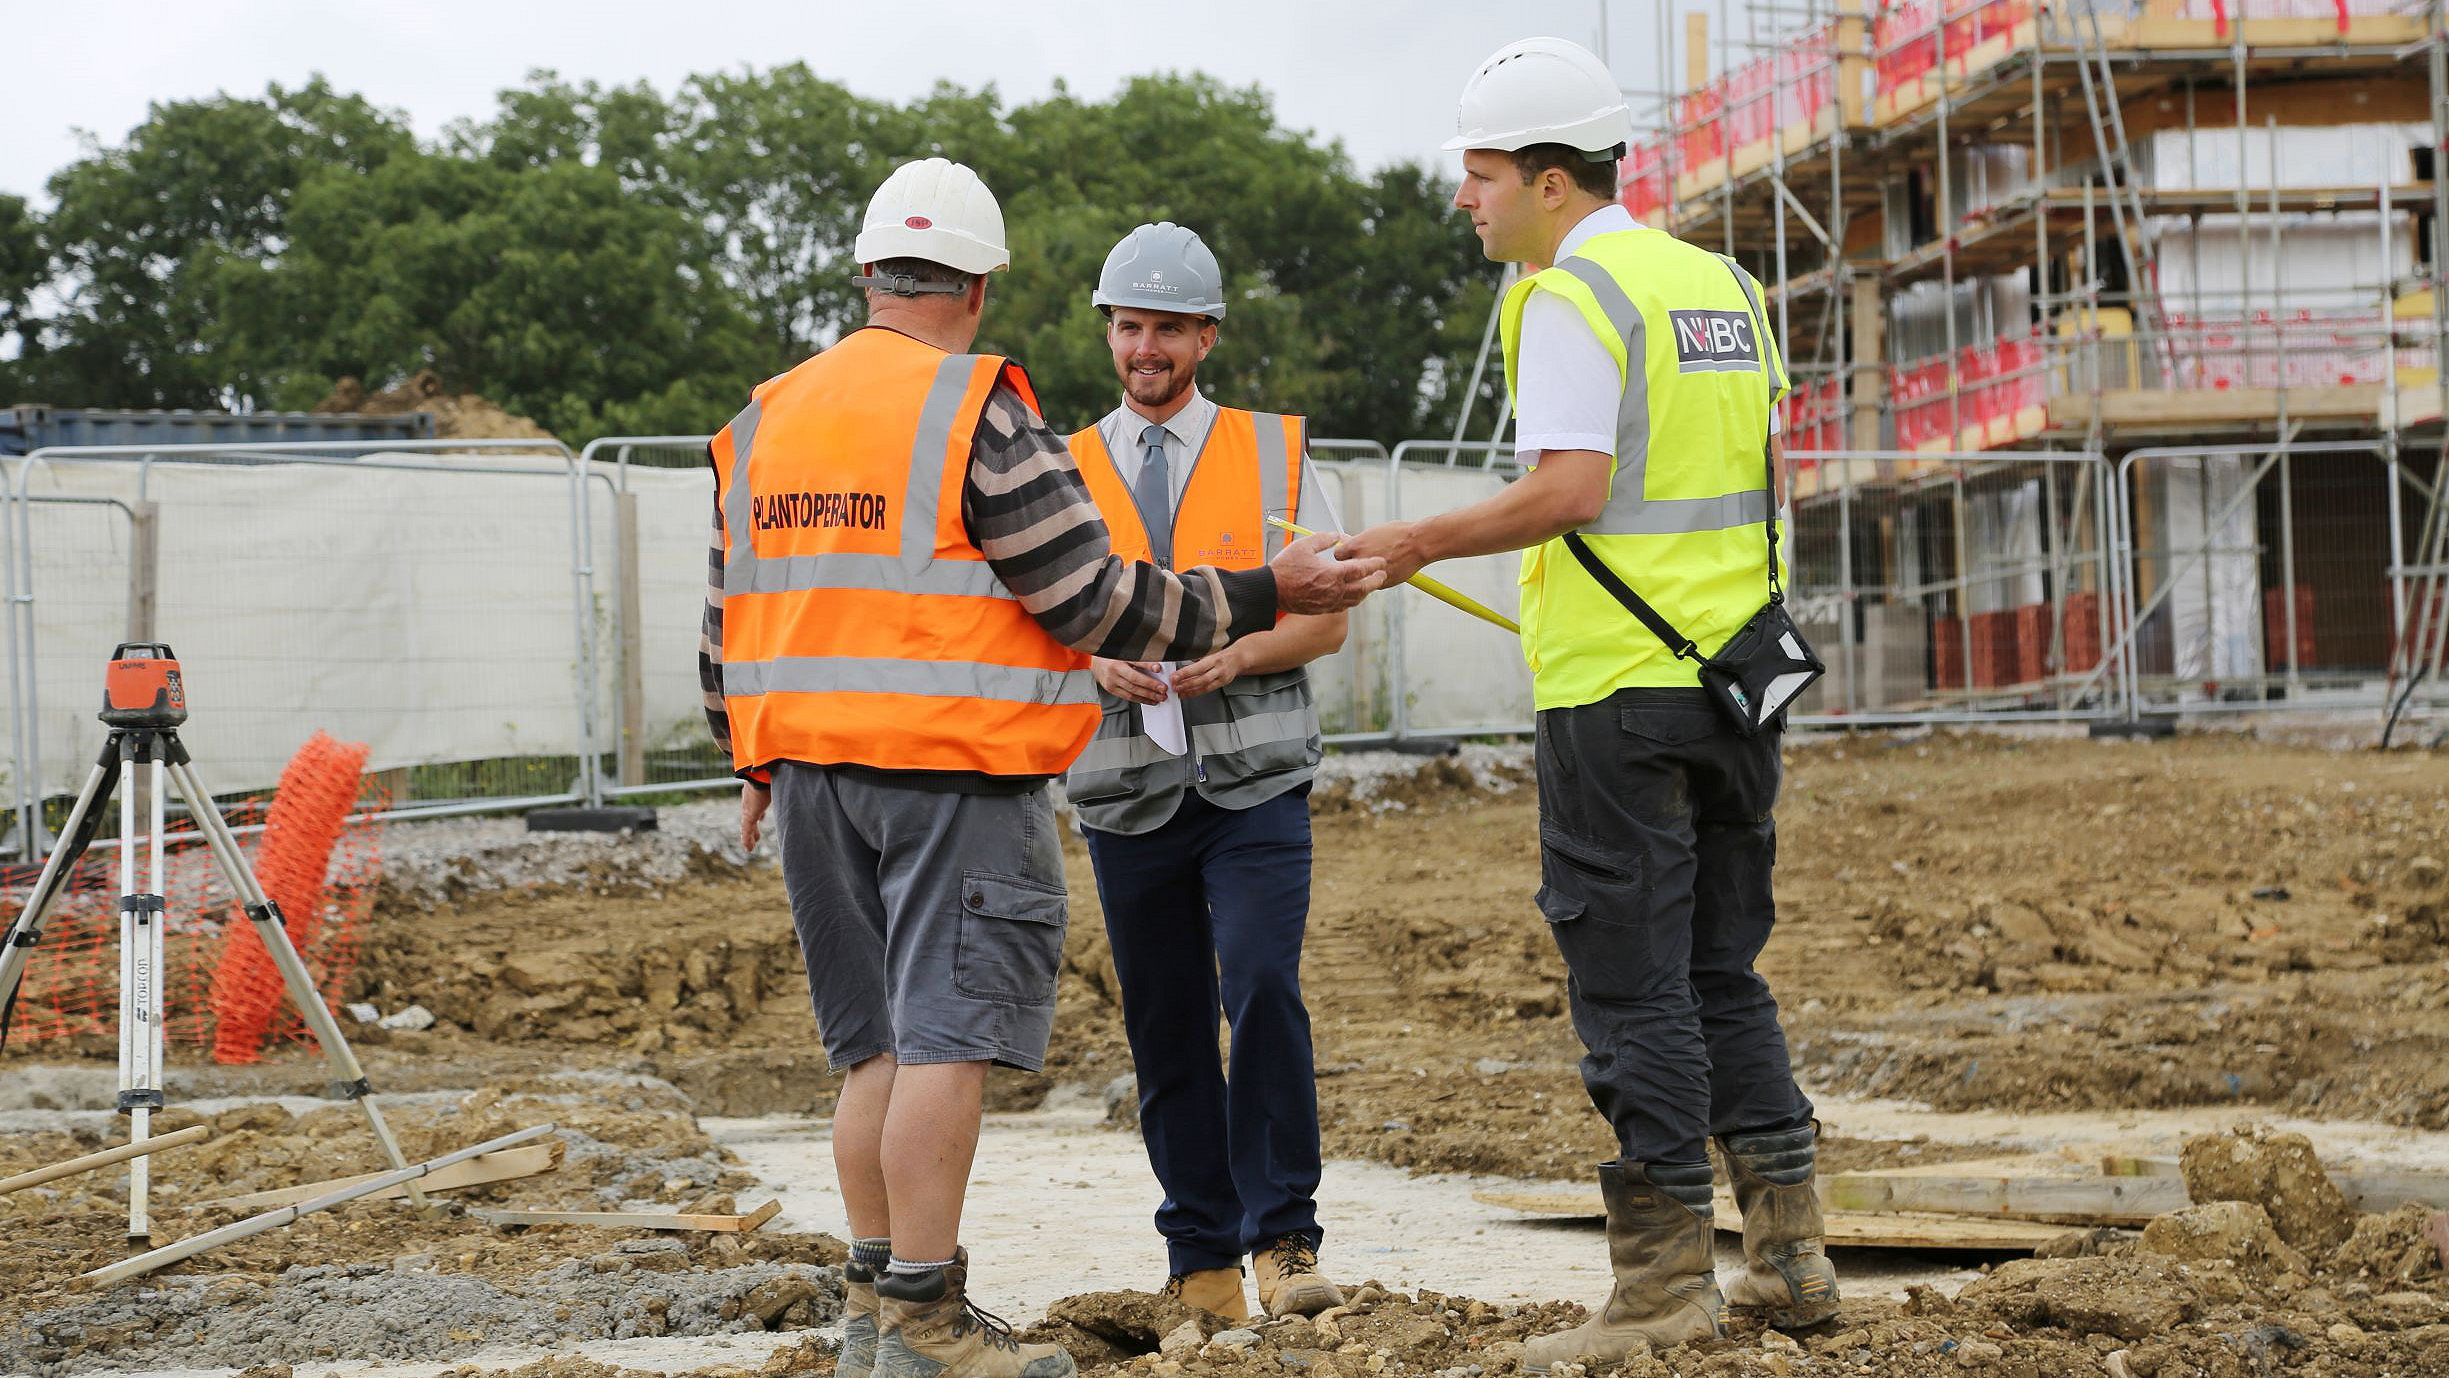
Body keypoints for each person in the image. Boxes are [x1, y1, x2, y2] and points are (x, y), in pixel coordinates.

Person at [698, 158, 1385, 1378]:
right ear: (977, 285)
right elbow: (1095, 595)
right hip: (945, 776)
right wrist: (1265, 591)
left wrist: (748, 764)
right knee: (941, 1041)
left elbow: (726, 622)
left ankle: (871, 1318)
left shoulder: (764, 416)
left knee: (870, 1052)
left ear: (868, 273)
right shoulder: (973, 409)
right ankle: (925, 1319)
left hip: (803, 777)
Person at [1338, 37, 1839, 1368]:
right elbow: (1754, 480)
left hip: (1618, 694)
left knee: (1633, 990)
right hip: (1736, 684)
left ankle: (1666, 1287)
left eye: (1484, 172)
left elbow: (1567, 487)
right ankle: (1790, 1256)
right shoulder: (1716, 283)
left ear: (1552, 182)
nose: (1468, 198)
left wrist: (1410, 543)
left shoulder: (1571, 294)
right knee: (1720, 972)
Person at [1059, 223, 1347, 1323]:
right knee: (1167, 1020)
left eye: (1167, 329)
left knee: (1264, 985)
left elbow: (1326, 619)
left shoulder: (1274, 453)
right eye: (1129, 326)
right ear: (1112, 332)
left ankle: (1283, 1238)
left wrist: (1239, 649)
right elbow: (1031, 624)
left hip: (1254, 779)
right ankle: (1202, 1258)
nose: (1145, 348)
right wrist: (1093, 658)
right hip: (1128, 792)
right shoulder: (1066, 465)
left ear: (1205, 336)